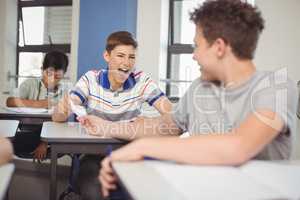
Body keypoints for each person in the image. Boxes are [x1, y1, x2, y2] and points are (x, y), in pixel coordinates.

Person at [77, 0, 298, 198]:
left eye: (197, 46)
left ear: (219, 47)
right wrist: (106, 126)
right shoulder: (200, 88)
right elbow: (163, 127)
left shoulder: (275, 86)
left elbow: (239, 146)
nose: (194, 55)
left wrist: (141, 147)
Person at [52, 31, 172, 200]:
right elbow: (58, 117)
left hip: (130, 154)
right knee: (94, 192)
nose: (126, 63)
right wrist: (62, 109)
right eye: (121, 56)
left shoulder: (142, 80)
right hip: (95, 157)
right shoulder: (91, 79)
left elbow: (172, 116)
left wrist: (150, 121)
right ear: (106, 56)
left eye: (131, 57)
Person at [6, 50, 69, 160]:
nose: (52, 80)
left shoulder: (64, 91)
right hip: (27, 132)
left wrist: (44, 142)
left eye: (57, 77)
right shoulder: (30, 83)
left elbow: (62, 121)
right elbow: (10, 101)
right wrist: (41, 104)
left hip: (51, 136)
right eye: (49, 74)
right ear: (42, 69)